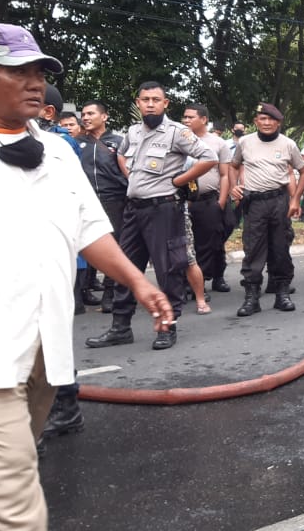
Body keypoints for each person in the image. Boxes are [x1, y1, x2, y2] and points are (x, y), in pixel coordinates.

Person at [0, 23, 173, 531]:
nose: (36, 83)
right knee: (13, 494)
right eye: (20, 72)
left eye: (41, 72)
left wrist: (138, 282)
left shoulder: (56, 152)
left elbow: (89, 230)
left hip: (41, 349)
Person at [86, 81, 217, 351]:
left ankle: (168, 327)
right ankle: (120, 327)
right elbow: (122, 156)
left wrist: (179, 180)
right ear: (138, 103)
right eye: (145, 99)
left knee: (168, 269)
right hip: (134, 209)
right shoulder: (133, 131)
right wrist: (132, 178)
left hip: (163, 209)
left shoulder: (177, 132)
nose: (150, 104)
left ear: (165, 103)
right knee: (125, 267)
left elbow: (209, 157)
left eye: (156, 100)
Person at [229, 102, 304, 316]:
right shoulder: (245, 142)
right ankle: (251, 298)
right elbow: (233, 166)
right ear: (256, 121)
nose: (266, 122)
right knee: (253, 249)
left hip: (279, 201)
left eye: (271, 119)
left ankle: (282, 294)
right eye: (262, 118)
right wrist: (234, 187)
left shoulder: (288, 144)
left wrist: (295, 199)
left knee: (280, 248)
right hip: (254, 203)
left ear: (278, 122)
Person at [80, 101, 129, 314]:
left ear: (104, 117)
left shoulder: (119, 142)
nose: (85, 117)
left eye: (91, 113)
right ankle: (83, 290)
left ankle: (111, 293)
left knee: (114, 245)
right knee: (86, 243)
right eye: (83, 114)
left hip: (114, 200)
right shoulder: (77, 142)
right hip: (86, 200)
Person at [182, 103, 233, 295]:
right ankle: (190, 282)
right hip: (184, 201)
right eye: (185, 117)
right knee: (188, 243)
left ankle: (206, 280)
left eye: (191, 117)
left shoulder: (218, 143)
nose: (186, 120)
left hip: (209, 200)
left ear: (204, 119)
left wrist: (221, 202)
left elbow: (225, 175)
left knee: (211, 241)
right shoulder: (178, 140)